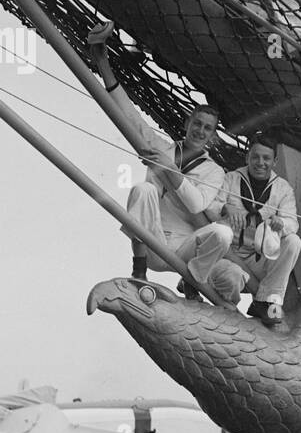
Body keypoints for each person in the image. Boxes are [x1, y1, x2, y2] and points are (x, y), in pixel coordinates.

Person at [89, 23, 232, 297]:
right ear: (187, 122)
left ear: (213, 136)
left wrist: (167, 168)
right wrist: (103, 66)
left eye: (207, 128)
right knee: (143, 189)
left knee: (222, 235)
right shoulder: (161, 147)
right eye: (197, 123)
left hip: (184, 248)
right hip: (151, 240)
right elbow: (129, 116)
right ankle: (139, 269)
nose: (200, 131)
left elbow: (196, 204)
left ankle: (193, 279)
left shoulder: (215, 172)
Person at [192, 131, 301, 327]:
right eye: (256, 157)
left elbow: (293, 223)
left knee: (294, 241)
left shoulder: (283, 188)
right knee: (231, 279)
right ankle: (226, 309)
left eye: (266, 158)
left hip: (259, 258)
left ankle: (267, 301)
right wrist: (226, 208)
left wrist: (281, 224)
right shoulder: (231, 179)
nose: (261, 162)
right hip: (228, 254)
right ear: (247, 157)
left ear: (274, 161)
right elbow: (209, 206)